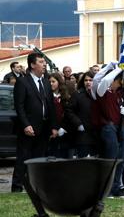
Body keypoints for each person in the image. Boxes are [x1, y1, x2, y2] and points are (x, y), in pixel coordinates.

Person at [11, 53, 58, 193]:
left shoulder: (45, 81)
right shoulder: (23, 82)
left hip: (43, 128)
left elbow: (50, 105)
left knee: (39, 158)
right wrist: (26, 124)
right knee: (24, 158)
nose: (44, 64)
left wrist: (54, 126)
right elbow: (19, 106)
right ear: (32, 65)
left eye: (44, 62)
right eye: (41, 62)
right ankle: (17, 186)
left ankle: (36, 187)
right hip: (28, 128)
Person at [91, 61, 124, 198]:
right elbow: (101, 79)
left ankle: (116, 187)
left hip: (122, 126)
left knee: (121, 158)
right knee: (111, 158)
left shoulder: (119, 93)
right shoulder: (101, 91)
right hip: (109, 127)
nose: (120, 83)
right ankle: (107, 188)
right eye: (118, 80)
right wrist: (113, 68)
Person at [47, 72, 79, 158]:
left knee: (66, 156)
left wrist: (63, 128)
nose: (51, 84)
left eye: (53, 81)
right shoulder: (47, 96)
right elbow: (49, 114)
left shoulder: (66, 96)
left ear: (59, 82)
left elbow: (69, 113)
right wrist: (55, 128)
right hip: (52, 130)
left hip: (66, 130)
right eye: (49, 82)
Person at [71, 71, 98, 158]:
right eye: (86, 80)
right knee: (83, 162)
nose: (88, 82)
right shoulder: (77, 94)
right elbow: (69, 111)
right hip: (83, 135)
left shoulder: (99, 94)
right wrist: (78, 123)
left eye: (91, 80)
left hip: (97, 134)